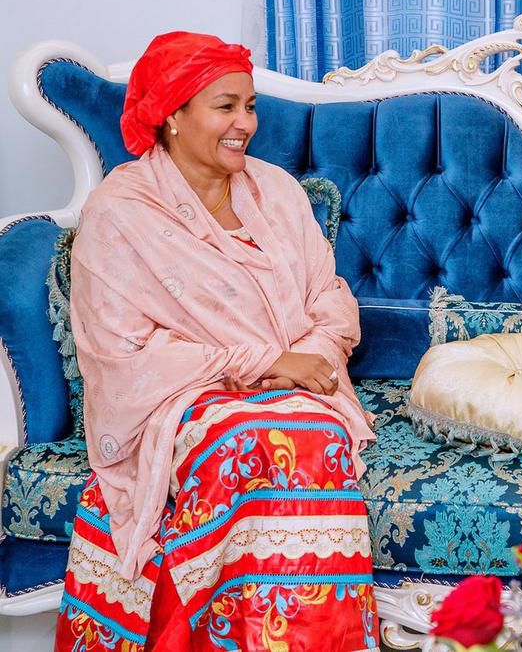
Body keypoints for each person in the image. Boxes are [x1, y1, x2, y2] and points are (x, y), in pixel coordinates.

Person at [54, 32, 379, 650]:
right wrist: (262, 361)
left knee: (309, 431)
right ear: (171, 114)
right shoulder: (121, 211)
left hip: (300, 380)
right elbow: (123, 354)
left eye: (250, 106)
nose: (245, 124)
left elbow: (330, 299)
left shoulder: (277, 192)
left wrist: (300, 364)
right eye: (225, 106)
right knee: (248, 441)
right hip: (181, 396)